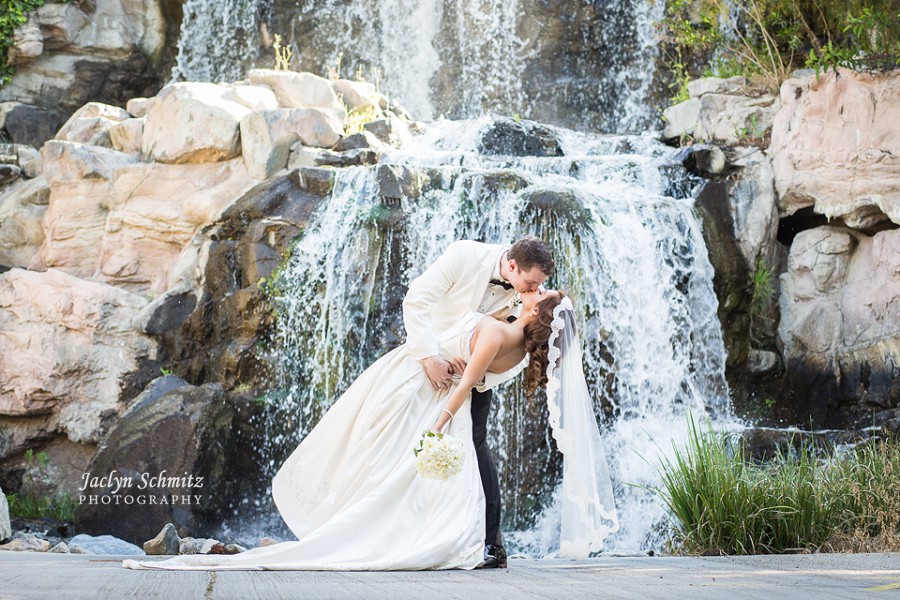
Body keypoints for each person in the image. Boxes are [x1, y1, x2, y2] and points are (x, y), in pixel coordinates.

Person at [121, 285, 567, 571]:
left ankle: (345, 523)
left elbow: (469, 380)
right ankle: (461, 540)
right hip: (437, 392)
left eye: (540, 292)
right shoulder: (523, 347)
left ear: (536, 312)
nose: (535, 288)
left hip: (425, 398)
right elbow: (480, 365)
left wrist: (436, 424)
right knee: (406, 482)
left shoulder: (496, 332)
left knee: (378, 462)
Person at [403, 236, 555, 568]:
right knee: (404, 444)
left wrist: (477, 370)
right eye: (530, 283)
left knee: (475, 444)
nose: (532, 291)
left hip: (476, 372)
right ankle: (410, 530)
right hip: (426, 360)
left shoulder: (527, 299)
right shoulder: (463, 255)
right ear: (512, 266)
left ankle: (491, 544)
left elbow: (516, 350)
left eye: (539, 286)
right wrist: (430, 357)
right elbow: (417, 300)